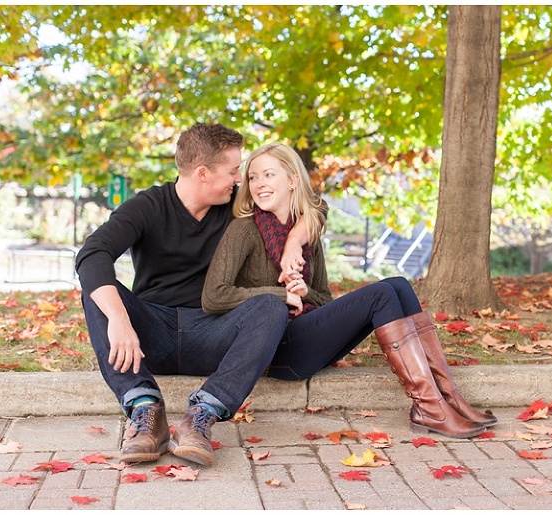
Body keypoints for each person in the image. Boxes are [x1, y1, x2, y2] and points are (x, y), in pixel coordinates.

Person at [201, 142, 497, 439]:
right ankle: (430, 407)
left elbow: (323, 298)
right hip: (272, 350)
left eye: (268, 174)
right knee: (380, 295)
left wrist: (304, 291)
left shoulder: (306, 233)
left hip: (303, 333)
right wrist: (282, 295)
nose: (259, 184)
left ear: (292, 180)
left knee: (398, 285)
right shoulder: (243, 230)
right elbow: (214, 296)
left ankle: (448, 399)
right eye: (252, 177)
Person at [75, 124, 315, 467]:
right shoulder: (148, 206)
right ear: (203, 173)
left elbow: (311, 205)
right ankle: (145, 413)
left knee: (270, 305)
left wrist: (294, 240)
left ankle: (201, 415)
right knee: (98, 291)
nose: (239, 179)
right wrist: (118, 318)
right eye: (233, 171)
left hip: (212, 332)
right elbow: (92, 253)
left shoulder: (234, 206)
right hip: (151, 334)